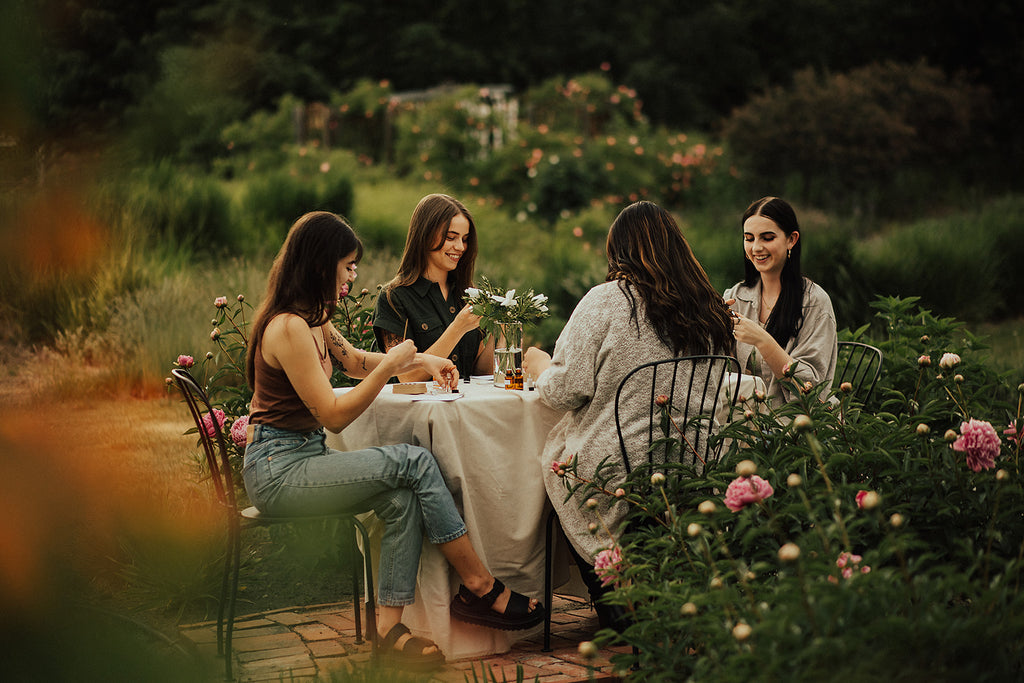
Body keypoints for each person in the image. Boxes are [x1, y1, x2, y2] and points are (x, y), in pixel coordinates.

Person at [242, 211, 543, 670]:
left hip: (305, 459)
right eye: (347, 265)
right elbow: (335, 416)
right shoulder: (288, 327)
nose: (352, 275)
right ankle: (480, 586)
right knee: (415, 463)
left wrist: (420, 359)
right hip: (278, 471)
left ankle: (390, 630)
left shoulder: (315, 321)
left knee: (403, 497)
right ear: (321, 264)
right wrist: (390, 366)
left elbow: (359, 363)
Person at [522, 201, 733, 629]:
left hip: (618, 470)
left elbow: (566, 390)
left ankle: (621, 600)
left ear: (618, 252)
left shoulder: (606, 301)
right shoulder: (711, 307)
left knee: (559, 466)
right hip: (695, 464)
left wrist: (541, 367)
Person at [723, 196, 837, 408]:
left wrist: (762, 340)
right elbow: (719, 373)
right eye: (749, 238)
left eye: (767, 238)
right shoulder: (736, 296)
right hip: (745, 421)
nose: (756, 248)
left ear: (791, 239)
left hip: (797, 425)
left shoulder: (815, 303)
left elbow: (810, 390)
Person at [374, 194, 494, 381]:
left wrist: (502, 333)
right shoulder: (394, 297)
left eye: (464, 239)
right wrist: (458, 328)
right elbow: (406, 376)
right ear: (425, 234)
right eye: (451, 237)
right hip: (419, 410)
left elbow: (479, 374)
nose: (460, 247)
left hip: (466, 407)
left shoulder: (467, 294)